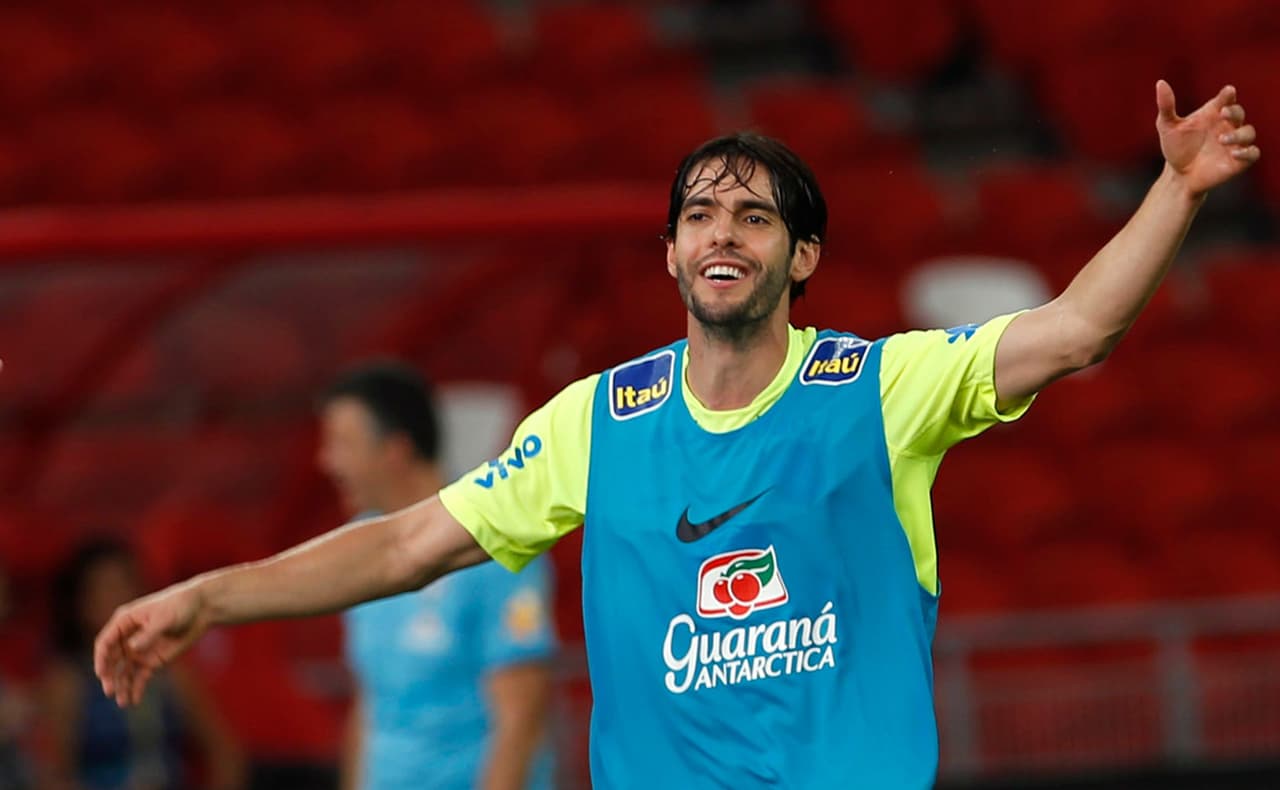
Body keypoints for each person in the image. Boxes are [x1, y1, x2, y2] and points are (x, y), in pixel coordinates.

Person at [94, 81, 1260, 788]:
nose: (722, 232)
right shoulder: (599, 422)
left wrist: (1176, 188)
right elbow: (404, 546)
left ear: (800, 258)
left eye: (754, 217)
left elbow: (1072, 333)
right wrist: (209, 595)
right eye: (699, 212)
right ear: (667, 252)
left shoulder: (879, 386)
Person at [317, 362, 556, 790]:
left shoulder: (491, 539)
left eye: (341, 444)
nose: (327, 462)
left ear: (395, 449)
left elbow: (521, 717)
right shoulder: (357, 548)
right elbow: (370, 706)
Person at [40, 538, 244, 790]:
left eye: (125, 584)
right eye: (105, 588)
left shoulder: (171, 668)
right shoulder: (67, 681)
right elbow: (54, 774)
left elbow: (225, 751)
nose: (118, 598)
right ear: (80, 603)